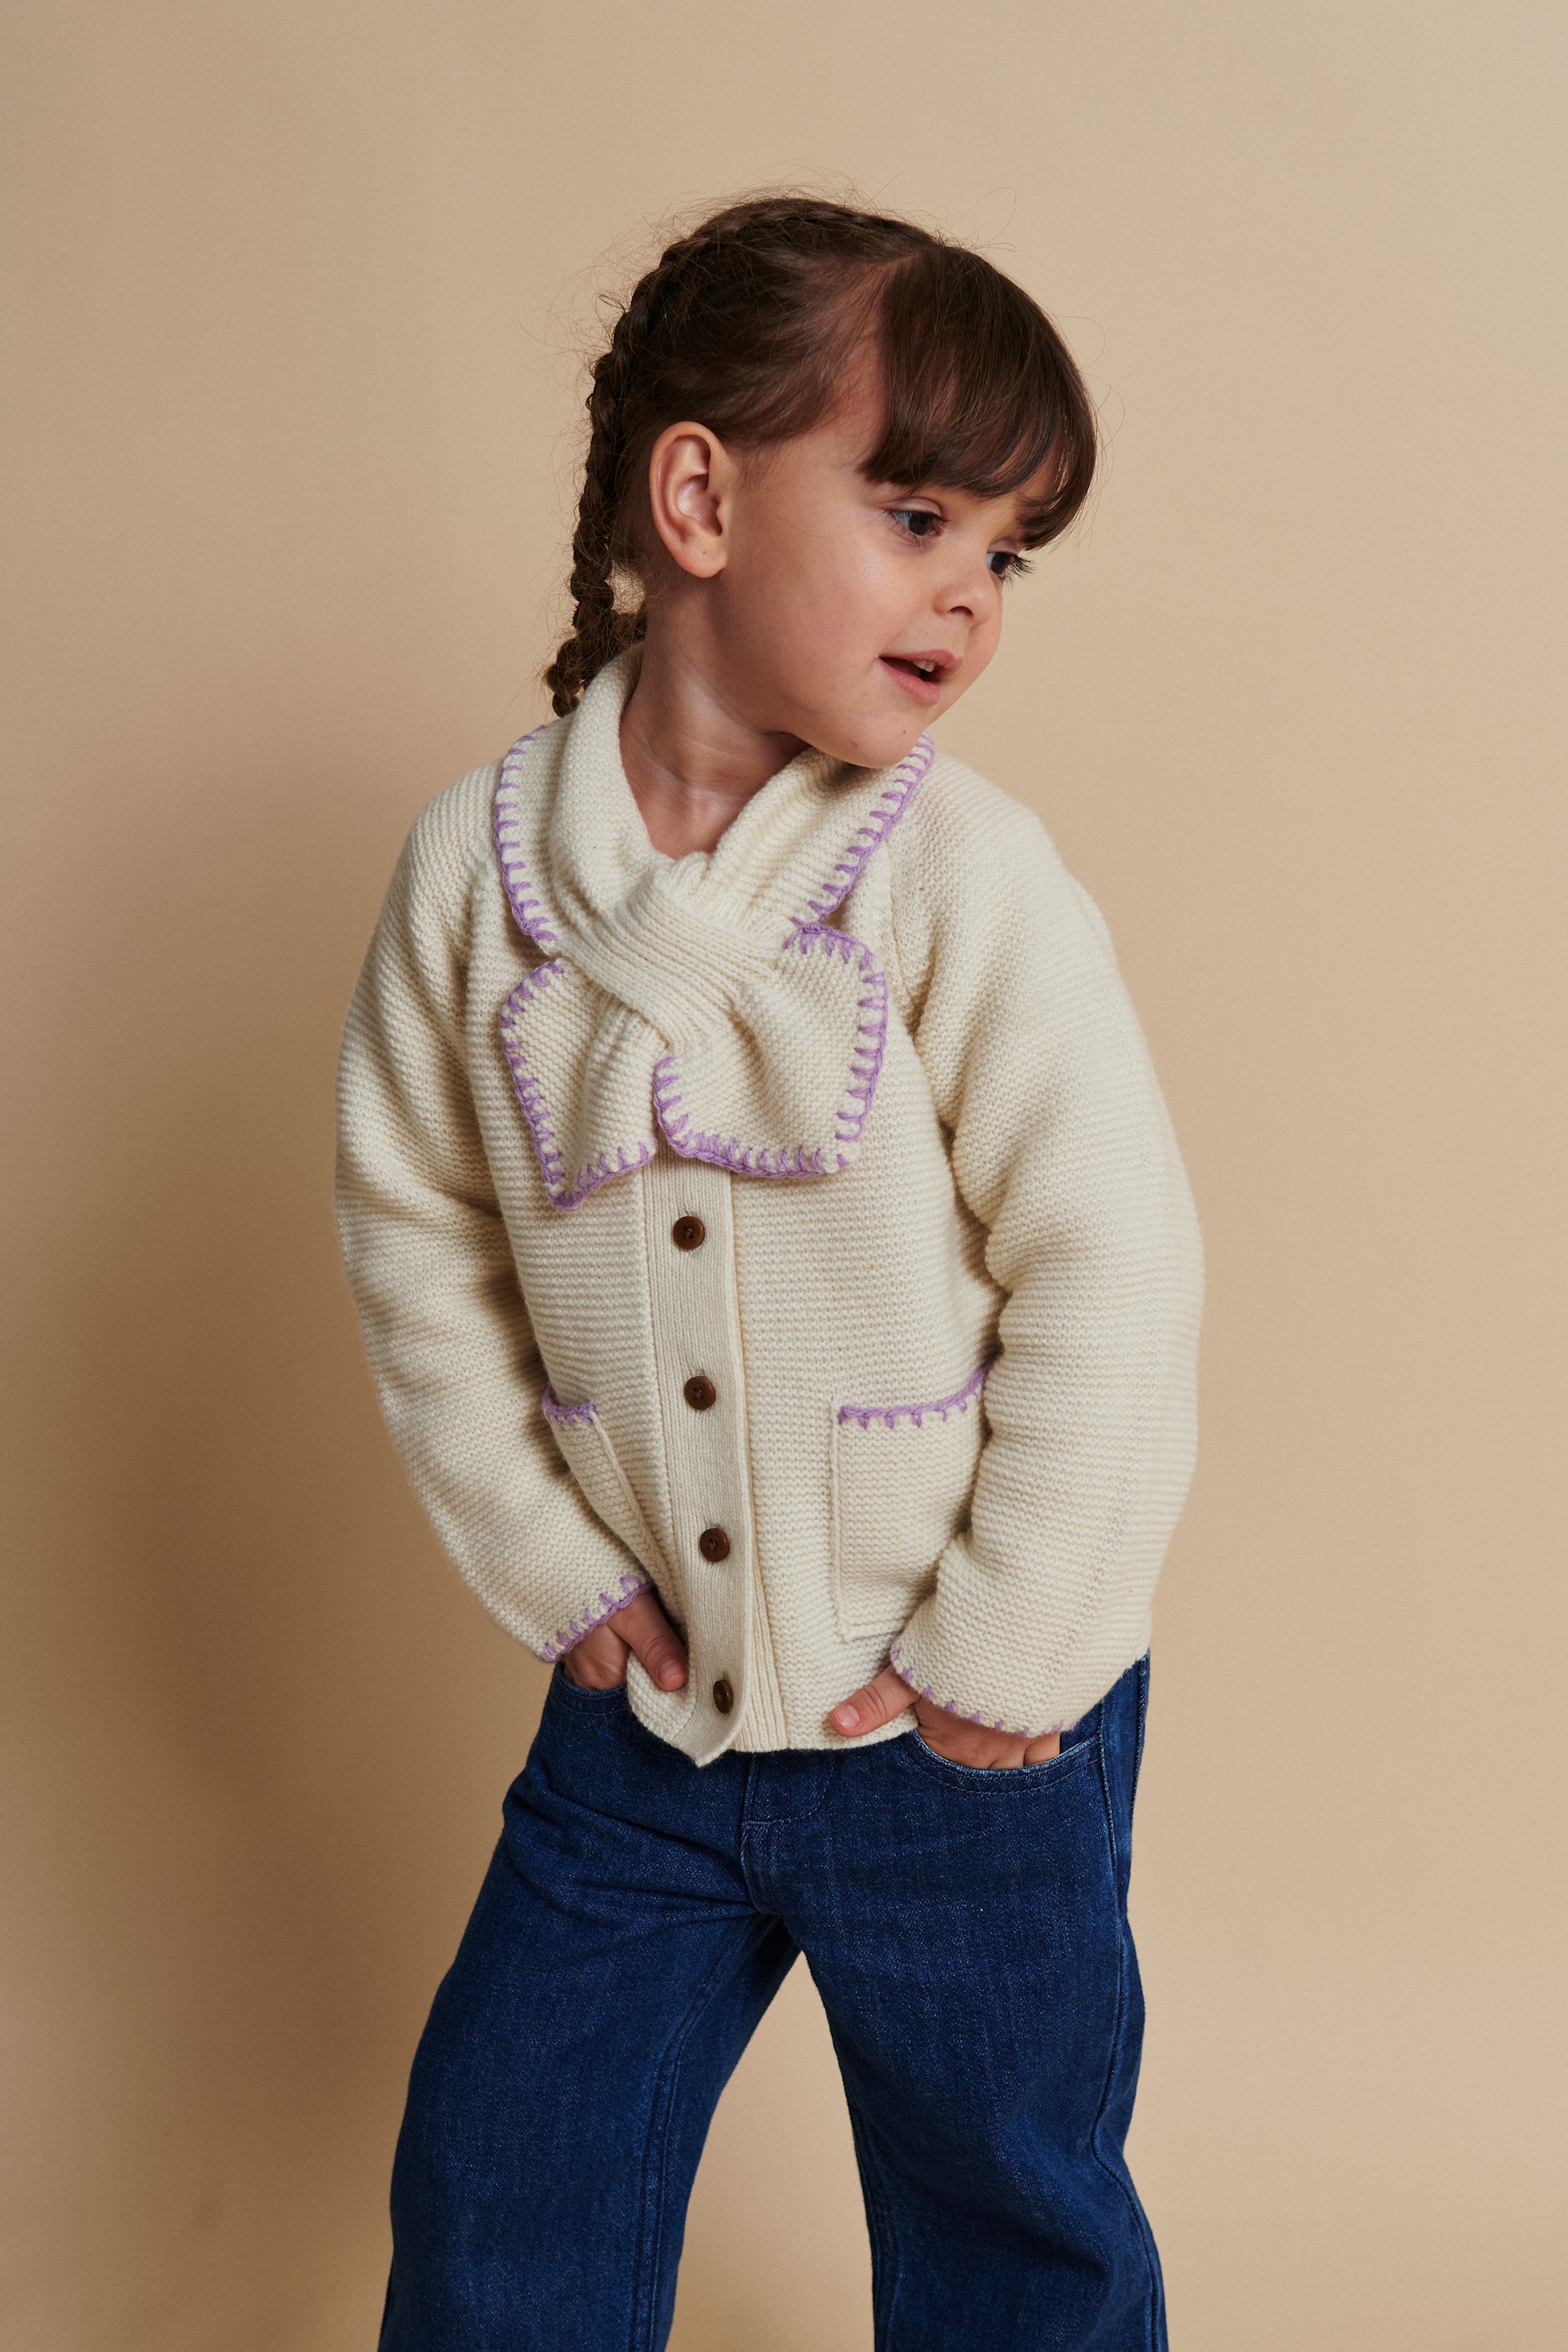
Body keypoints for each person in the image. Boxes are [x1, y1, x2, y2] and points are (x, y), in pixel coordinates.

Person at [336, 192, 1204, 2352]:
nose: (970, 597)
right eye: (916, 517)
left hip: (959, 1720)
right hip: (647, 1729)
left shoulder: (967, 880)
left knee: (1013, 2214)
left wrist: (1012, 1659)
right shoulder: (477, 880)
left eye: (1005, 552)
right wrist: (550, 1566)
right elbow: (417, 1234)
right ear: (702, 500)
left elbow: (1113, 1271)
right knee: (503, 2179)